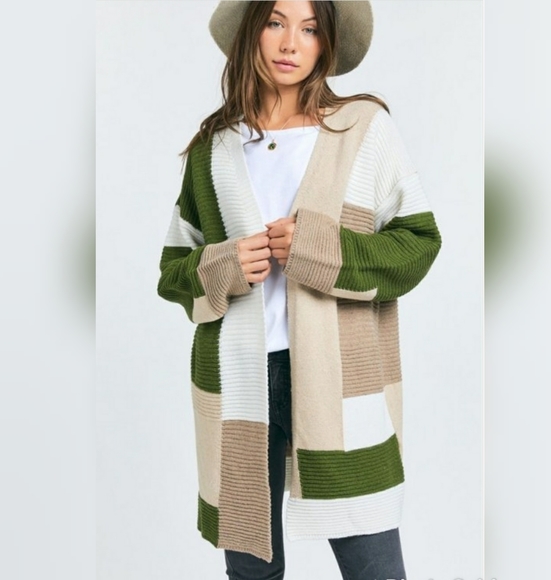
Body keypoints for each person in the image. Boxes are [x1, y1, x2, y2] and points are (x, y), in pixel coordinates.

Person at [157, 1, 442, 578]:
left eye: (310, 29)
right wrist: (224, 264)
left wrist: (319, 248)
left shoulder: (362, 129)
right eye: (276, 22)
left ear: (326, 42)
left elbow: (418, 244)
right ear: (252, 30)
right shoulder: (214, 147)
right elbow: (173, 270)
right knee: (251, 568)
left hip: (340, 379)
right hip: (239, 380)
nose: (291, 43)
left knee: (374, 565)